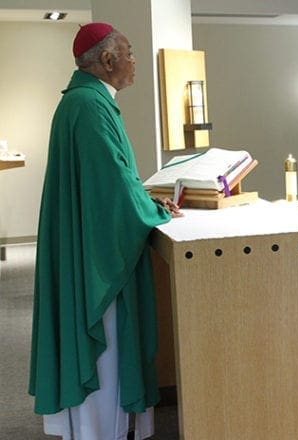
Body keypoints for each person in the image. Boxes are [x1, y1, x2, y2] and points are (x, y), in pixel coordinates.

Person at [28, 23, 182, 439]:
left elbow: (111, 178)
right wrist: (152, 213)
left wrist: (147, 203)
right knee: (106, 347)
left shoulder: (86, 101)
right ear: (108, 60)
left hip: (87, 238)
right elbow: (112, 184)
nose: (134, 62)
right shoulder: (89, 106)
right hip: (95, 254)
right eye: (129, 53)